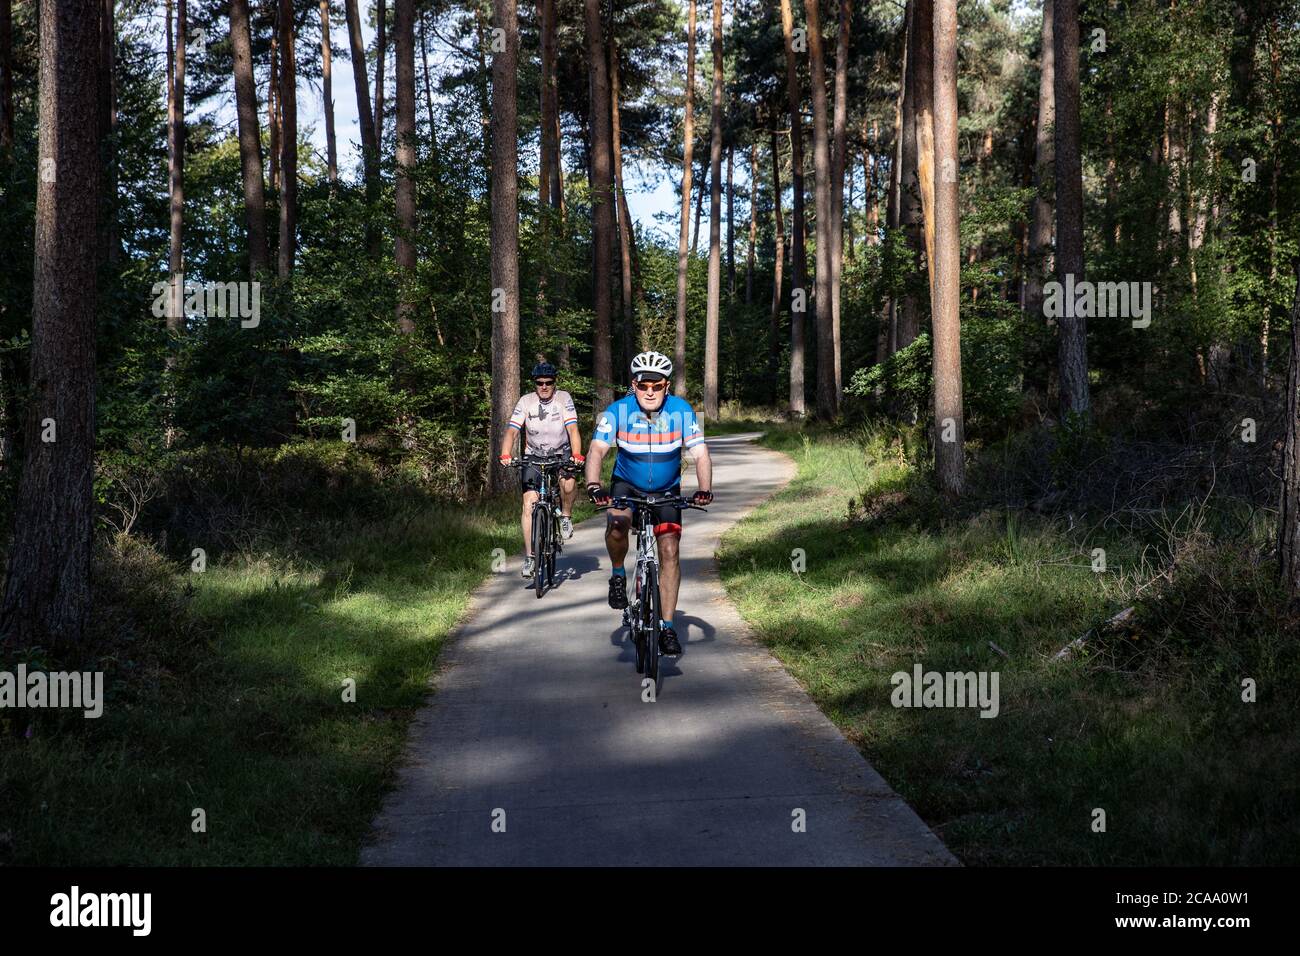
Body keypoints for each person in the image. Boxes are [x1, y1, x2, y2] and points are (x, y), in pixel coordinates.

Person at [584, 351, 713, 656]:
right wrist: (593, 485)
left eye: (657, 385)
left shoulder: (682, 411)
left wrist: (704, 488)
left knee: (669, 549)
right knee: (617, 525)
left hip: (667, 488)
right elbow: (596, 451)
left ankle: (667, 628)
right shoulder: (617, 411)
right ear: (634, 384)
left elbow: (701, 454)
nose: (650, 392)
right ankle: (618, 575)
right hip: (626, 484)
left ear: (667, 386)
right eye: (644, 386)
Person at [499, 362, 584, 580]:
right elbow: (511, 431)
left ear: (555, 383)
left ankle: (565, 516)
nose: (544, 387)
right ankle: (530, 556)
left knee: (568, 482)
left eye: (549, 383)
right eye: (540, 383)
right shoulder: (526, 401)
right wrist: (506, 454)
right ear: (535, 384)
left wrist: (576, 454)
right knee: (528, 503)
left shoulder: (563, 398)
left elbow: (573, 429)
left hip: (560, 452)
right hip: (534, 455)